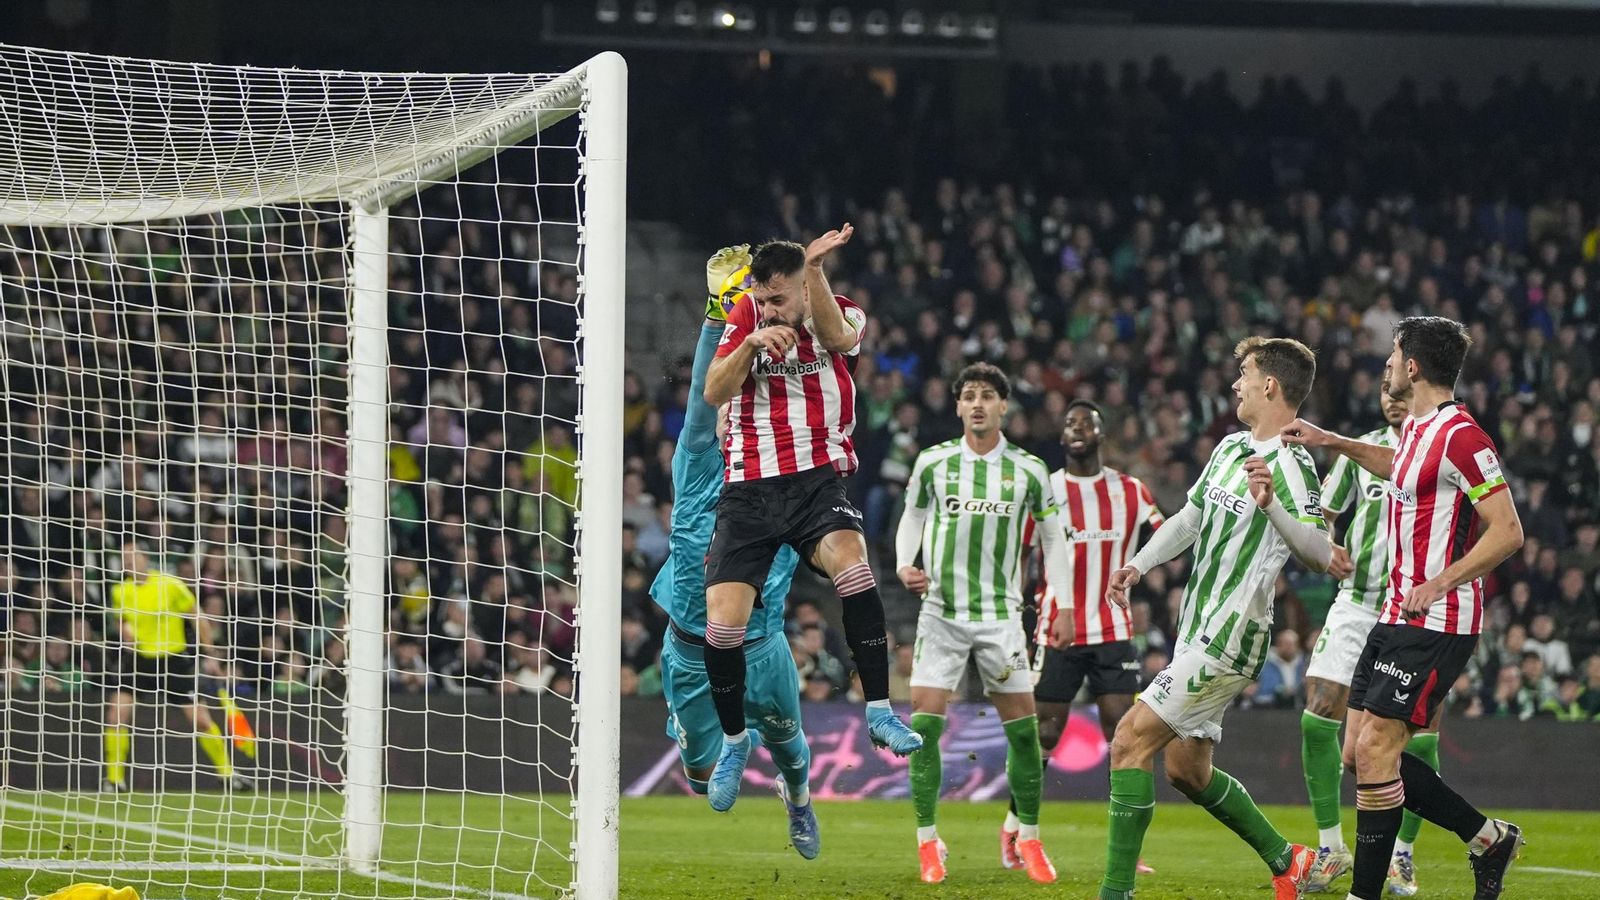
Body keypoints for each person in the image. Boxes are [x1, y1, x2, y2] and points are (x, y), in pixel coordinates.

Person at [1282, 316, 1527, 900]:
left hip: (1437, 619)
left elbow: (1508, 531)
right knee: (1356, 752)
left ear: (1412, 367)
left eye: (1393, 356)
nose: (1386, 365)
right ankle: (1487, 837)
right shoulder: (1416, 429)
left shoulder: (1463, 436)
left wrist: (1440, 581)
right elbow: (1400, 469)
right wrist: (1335, 442)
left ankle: (1363, 893)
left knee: (1374, 750)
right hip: (1395, 614)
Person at [1099, 337, 1333, 900]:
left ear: (1270, 385)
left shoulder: (1295, 464)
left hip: (1231, 636)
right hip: (1196, 628)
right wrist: (1137, 563)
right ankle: (1288, 860)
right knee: (1187, 771)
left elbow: (1319, 553)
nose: (1235, 383)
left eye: (1244, 374)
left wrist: (1272, 505)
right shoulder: (1230, 448)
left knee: (1129, 740)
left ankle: (1115, 892)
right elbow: (1190, 519)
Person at [701, 225, 920, 812]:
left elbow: (838, 338)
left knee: (854, 567)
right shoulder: (745, 317)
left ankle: (878, 711)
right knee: (721, 627)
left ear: (801, 288)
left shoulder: (836, 308)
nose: (768, 307)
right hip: (748, 488)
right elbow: (712, 393)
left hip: (817, 479)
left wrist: (817, 272)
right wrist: (749, 342)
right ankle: (733, 742)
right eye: (761, 298)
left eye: (778, 298)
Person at [650, 245, 818, 855]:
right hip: (693, 654)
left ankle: (798, 802)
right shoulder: (699, 469)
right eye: (726, 414)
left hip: (763, 647)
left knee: (791, 751)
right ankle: (700, 732)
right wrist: (720, 316)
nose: (726, 420)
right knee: (700, 781)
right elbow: (701, 399)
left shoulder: (788, 477)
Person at [893, 362, 1075, 884]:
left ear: (1003, 406)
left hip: (1000, 618)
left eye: (987, 396)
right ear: (957, 407)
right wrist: (907, 563)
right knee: (924, 729)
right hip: (942, 616)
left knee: (1024, 735)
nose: (977, 403)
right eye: (969, 395)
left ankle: (1030, 837)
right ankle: (929, 843)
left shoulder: (1029, 470)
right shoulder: (933, 462)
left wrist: (1059, 603)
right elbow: (913, 517)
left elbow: (1054, 539)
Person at [1002, 399, 1165, 876]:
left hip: (1114, 631)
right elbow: (1020, 552)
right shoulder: (1045, 489)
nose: (1076, 430)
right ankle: (1015, 825)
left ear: (1100, 434)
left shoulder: (1130, 490)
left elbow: (1166, 535)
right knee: (1045, 734)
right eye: (1069, 424)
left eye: (1086, 423)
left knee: (1127, 736)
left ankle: (1127, 849)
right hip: (1059, 629)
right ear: (1062, 437)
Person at [1298, 367, 1438, 895]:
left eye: (1400, 391)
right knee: (1319, 712)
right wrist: (1326, 541)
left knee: (1418, 733)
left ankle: (1402, 855)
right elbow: (1324, 515)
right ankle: (1331, 848)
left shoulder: (1441, 448)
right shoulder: (1360, 452)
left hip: (1417, 611)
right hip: (1357, 604)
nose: (1392, 399)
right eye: (1385, 391)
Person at [103, 541, 251, 792]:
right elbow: (121, 621)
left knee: (201, 719)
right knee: (116, 716)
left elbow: (198, 617)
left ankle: (227, 774)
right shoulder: (120, 591)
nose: (128, 561)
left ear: (145, 559)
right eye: (124, 557)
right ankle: (114, 780)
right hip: (139, 660)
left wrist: (211, 654)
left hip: (174, 660)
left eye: (133, 556)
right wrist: (125, 630)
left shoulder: (170, 584)